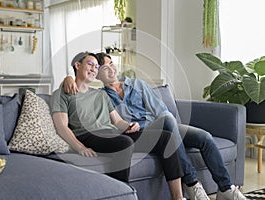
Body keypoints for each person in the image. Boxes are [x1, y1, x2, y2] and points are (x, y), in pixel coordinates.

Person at [62, 52, 247, 200]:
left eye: (112, 64)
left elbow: (163, 111)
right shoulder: (100, 96)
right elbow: (79, 86)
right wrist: (68, 78)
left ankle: (226, 188)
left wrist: (170, 127)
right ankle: (191, 183)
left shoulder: (137, 85)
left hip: (166, 125)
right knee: (167, 123)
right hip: (142, 132)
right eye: (104, 67)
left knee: (204, 137)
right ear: (97, 74)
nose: (110, 69)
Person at [50, 52, 187, 200]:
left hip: (112, 133)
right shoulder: (62, 93)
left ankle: (178, 197)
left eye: (96, 66)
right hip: (87, 135)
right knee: (124, 143)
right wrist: (80, 147)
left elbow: (117, 121)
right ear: (77, 65)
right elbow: (61, 127)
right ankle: (120, 196)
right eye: (90, 64)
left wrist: (129, 125)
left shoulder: (100, 95)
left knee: (165, 138)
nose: (94, 69)